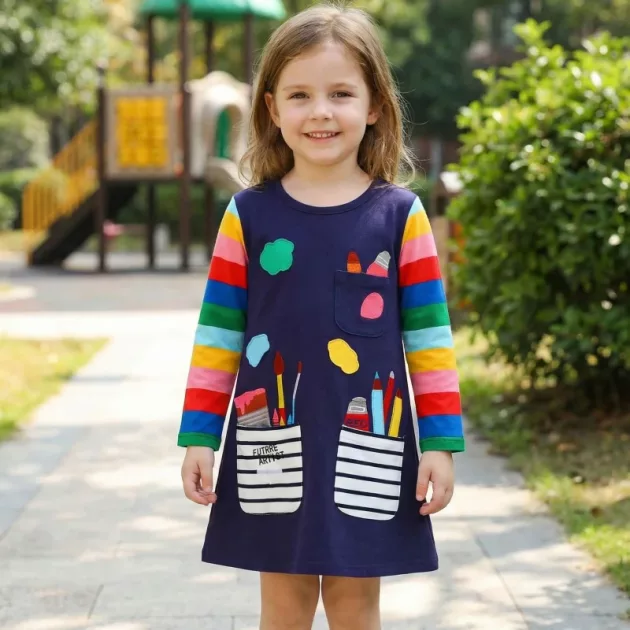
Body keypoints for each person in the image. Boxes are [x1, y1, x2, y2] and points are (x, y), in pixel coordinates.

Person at [178, 4, 465, 629]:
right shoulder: (247, 216)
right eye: (300, 95)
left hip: (369, 443)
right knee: (282, 606)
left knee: (356, 605)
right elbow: (218, 336)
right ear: (272, 109)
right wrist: (200, 435)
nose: (320, 112)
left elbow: (429, 341)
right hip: (270, 438)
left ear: (375, 105)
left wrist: (441, 444)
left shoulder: (401, 216)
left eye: (341, 93)